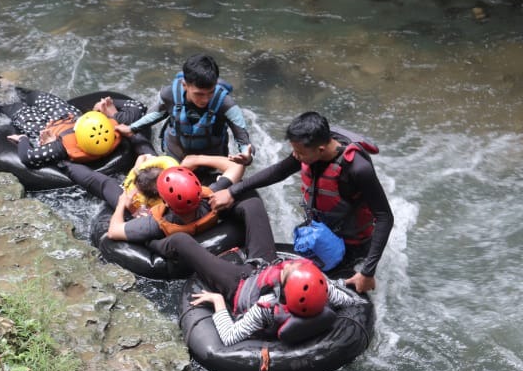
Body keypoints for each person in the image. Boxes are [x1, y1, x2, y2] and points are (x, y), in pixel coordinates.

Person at [209, 111, 394, 293]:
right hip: (321, 233)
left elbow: (385, 217)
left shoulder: (357, 169)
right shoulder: (311, 150)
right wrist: (233, 191)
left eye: (299, 152)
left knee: (320, 295)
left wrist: (368, 272)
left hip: (352, 245)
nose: (295, 156)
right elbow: (279, 171)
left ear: (321, 150)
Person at [106, 157, 279, 264]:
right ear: (198, 186)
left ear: (164, 201)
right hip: (215, 228)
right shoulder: (212, 198)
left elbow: (113, 232)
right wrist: (197, 159)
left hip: (177, 250)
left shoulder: (156, 223)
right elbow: (237, 167)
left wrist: (122, 203)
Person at [0, 77, 151, 168]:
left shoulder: (62, 146)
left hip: (47, 130)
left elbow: (27, 157)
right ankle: (16, 89)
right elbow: (139, 107)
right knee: (39, 98)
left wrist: (23, 139)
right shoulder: (115, 127)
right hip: (68, 116)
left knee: (18, 111)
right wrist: (110, 107)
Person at [186, 254, 363, 346]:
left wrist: (218, 300)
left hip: (239, 290)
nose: (288, 262)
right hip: (256, 274)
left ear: (284, 288)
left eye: (286, 269)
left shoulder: (267, 305)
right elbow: (354, 303)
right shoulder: (324, 290)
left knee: (180, 241)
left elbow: (229, 337)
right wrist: (344, 282)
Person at [115, 54, 255, 165]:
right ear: (185, 85)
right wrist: (131, 128)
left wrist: (247, 156)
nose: (205, 99)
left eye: (210, 92)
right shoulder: (170, 95)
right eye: (199, 94)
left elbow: (243, 140)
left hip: (210, 162)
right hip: (175, 157)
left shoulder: (226, 104)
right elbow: (156, 114)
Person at [59, 153, 178, 219]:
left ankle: (64, 164)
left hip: (134, 211)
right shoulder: (164, 168)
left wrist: (129, 204)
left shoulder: (159, 209)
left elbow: (138, 216)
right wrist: (136, 169)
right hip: (140, 187)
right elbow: (142, 156)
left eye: (139, 189)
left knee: (106, 184)